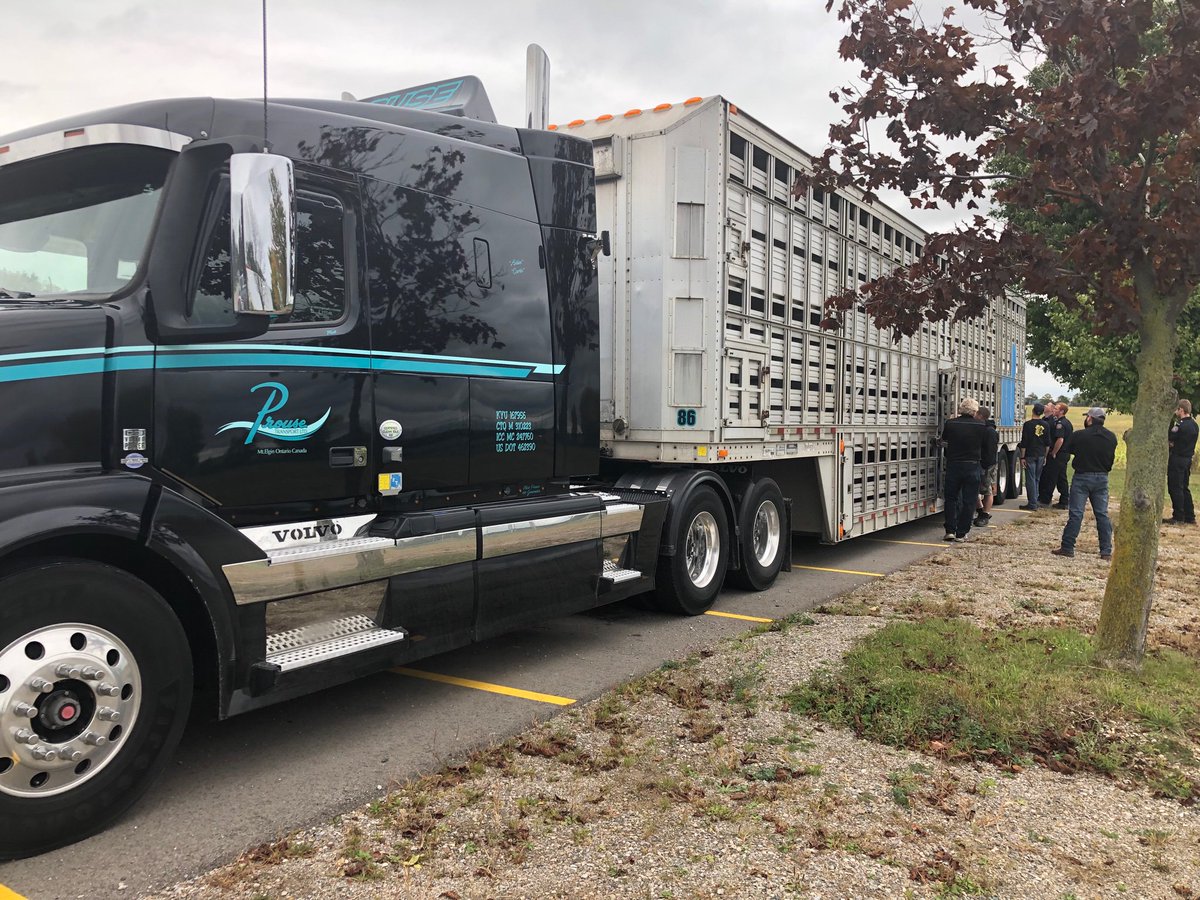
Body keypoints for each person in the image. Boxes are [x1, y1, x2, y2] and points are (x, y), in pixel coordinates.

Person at [1052, 407, 1117, 559]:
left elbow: (1068, 449)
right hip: (1102, 477)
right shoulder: (1111, 437)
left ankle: (1068, 547)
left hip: (1082, 476)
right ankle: (1106, 551)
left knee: (1076, 513)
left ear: (1089, 418)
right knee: (1102, 514)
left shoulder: (1080, 435)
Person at [939, 398, 986, 542]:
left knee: (951, 499)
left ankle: (950, 530)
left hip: (954, 464)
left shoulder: (951, 423)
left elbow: (944, 440)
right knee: (969, 500)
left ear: (961, 409)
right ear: (974, 411)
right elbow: (983, 445)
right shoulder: (980, 425)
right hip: (972, 465)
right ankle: (962, 532)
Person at [1165, 398, 1197, 525]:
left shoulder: (1180, 425)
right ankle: (1190, 515)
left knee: (1175, 487)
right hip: (1188, 459)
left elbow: (1171, 438)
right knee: (1184, 487)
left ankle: (1178, 515)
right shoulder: (1195, 425)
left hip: (1177, 459)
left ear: (1181, 410)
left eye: (1177, 409)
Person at [1039, 403, 1072, 508]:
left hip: (1059, 454)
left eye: (1057, 409)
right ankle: (1064, 500)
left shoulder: (1060, 423)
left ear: (1062, 411)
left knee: (1052, 477)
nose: (1054, 410)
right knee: (1061, 477)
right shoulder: (1067, 422)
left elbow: (1060, 439)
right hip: (1065, 454)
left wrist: (1054, 452)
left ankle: (1045, 500)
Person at [1019, 402, 1050, 510]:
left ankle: (1032, 503)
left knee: (1030, 479)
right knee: (1036, 479)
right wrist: (1045, 456)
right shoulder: (1046, 425)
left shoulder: (1028, 425)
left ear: (1033, 411)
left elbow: (1024, 442)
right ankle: (1035, 501)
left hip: (1030, 454)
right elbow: (1047, 443)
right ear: (1042, 413)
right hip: (1041, 454)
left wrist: (1022, 457)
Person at [974, 406, 999, 526]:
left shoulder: (990, 431)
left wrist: (985, 466)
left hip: (987, 465)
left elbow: (991, 451)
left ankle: (985, 514)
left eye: (975, 414)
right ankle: (980, 510)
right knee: (975, 489)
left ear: (980, 416)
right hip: (980, 464)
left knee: (987, 490)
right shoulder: (982, 428)